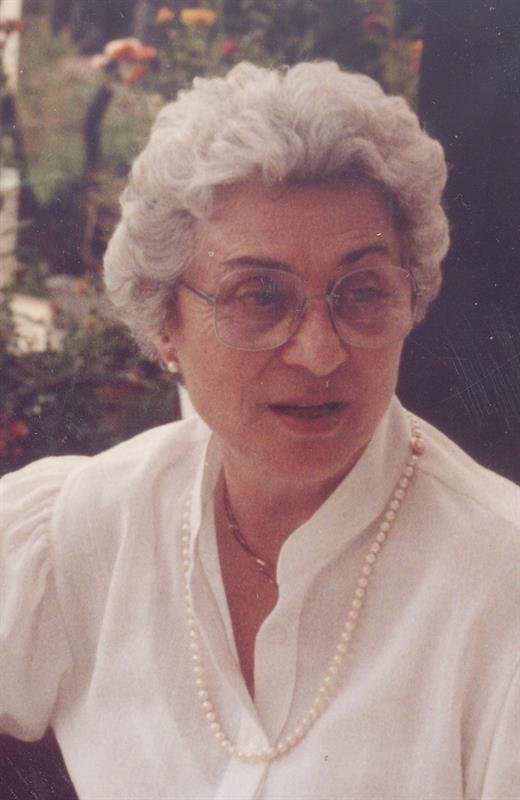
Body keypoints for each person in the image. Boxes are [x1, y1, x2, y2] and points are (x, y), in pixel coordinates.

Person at [1, 62, 518, 800]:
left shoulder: (500, 586)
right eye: (260, 296)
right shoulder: (87, 528)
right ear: (163, 320)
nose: (320, 352)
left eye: (362, 291)